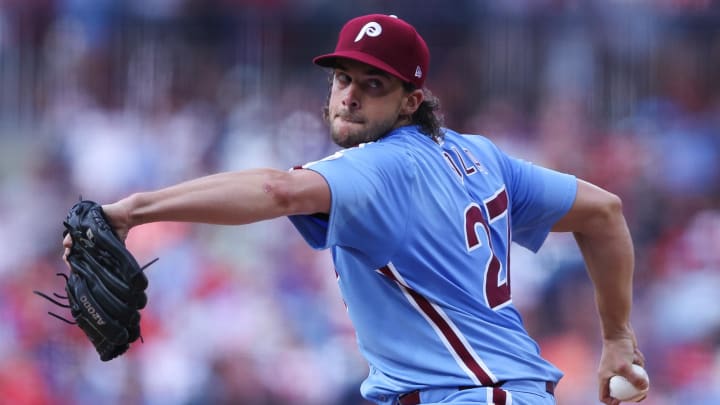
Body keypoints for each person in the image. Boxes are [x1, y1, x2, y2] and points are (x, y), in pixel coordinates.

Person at [63, 13, 648, 405]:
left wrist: (132, 210)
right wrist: (618, 336)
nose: (349, 94)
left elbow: (278, 191)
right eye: (343, 78)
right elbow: (603, 213)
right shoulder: (481, 156)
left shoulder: (382, 165)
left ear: (412, 101)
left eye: (374, 84)